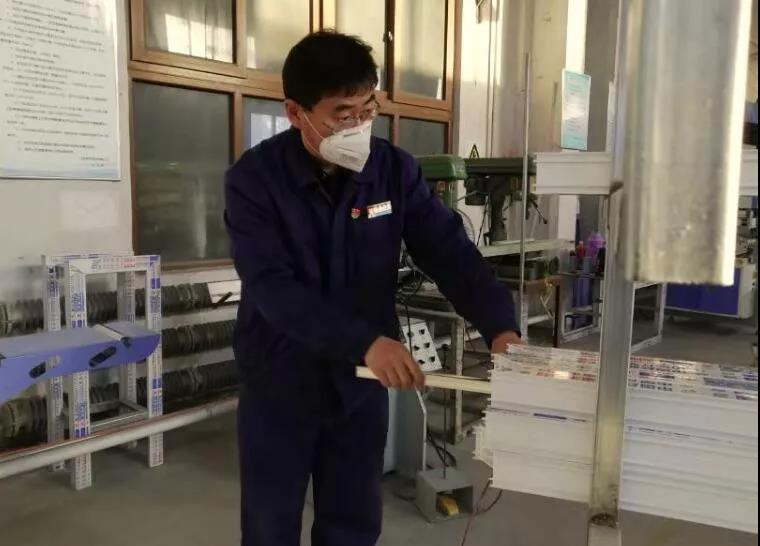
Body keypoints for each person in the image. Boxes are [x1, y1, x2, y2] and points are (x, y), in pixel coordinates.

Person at [224, 30, 521, 546]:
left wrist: (500, 327)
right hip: (280, 381)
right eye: (343, 115)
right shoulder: (254, 180)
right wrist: (364, 342)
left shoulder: (393, 171)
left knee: (354, 523)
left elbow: (449, 252)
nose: (359, 126)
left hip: (359, 388)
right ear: (295, 113)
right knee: (270, 526)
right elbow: (273, 288)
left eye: (368, 110)